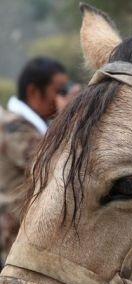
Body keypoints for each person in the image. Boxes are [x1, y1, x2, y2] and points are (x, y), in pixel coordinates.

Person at [0, 57, 79, 262]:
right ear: (34, 92)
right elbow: (58, 166)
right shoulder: (13, 128)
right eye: (59, 91)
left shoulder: (35, 127)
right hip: (17, 245)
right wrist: (69, 118)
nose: (63, 98)